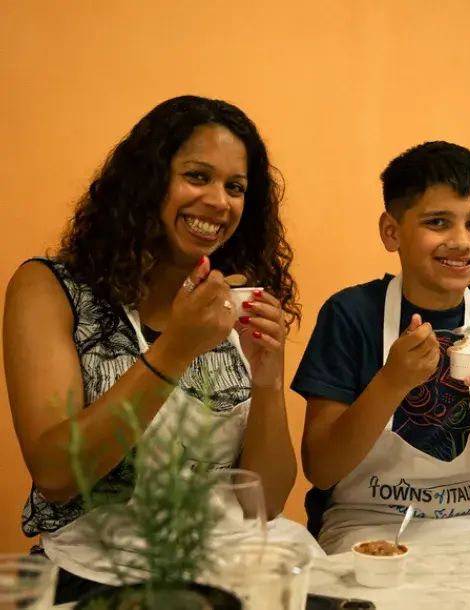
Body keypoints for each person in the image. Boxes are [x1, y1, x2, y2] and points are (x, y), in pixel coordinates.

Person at [3, 95, 323, 604]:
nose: (219, 201)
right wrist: (175, 349)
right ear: (145, 182)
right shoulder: (50, 289)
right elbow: (57, 474)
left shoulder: (233, 296)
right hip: (101, 570)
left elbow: (264, 499)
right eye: (197, 177)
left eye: (235, 187)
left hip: (233, 562)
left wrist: (267, 380)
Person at [292, 141, 470, 554]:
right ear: (391, 231)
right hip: (361, 527)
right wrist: (391, 382)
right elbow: (322, 469)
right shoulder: (349, 314)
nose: (460, 241)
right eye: (438, 222)